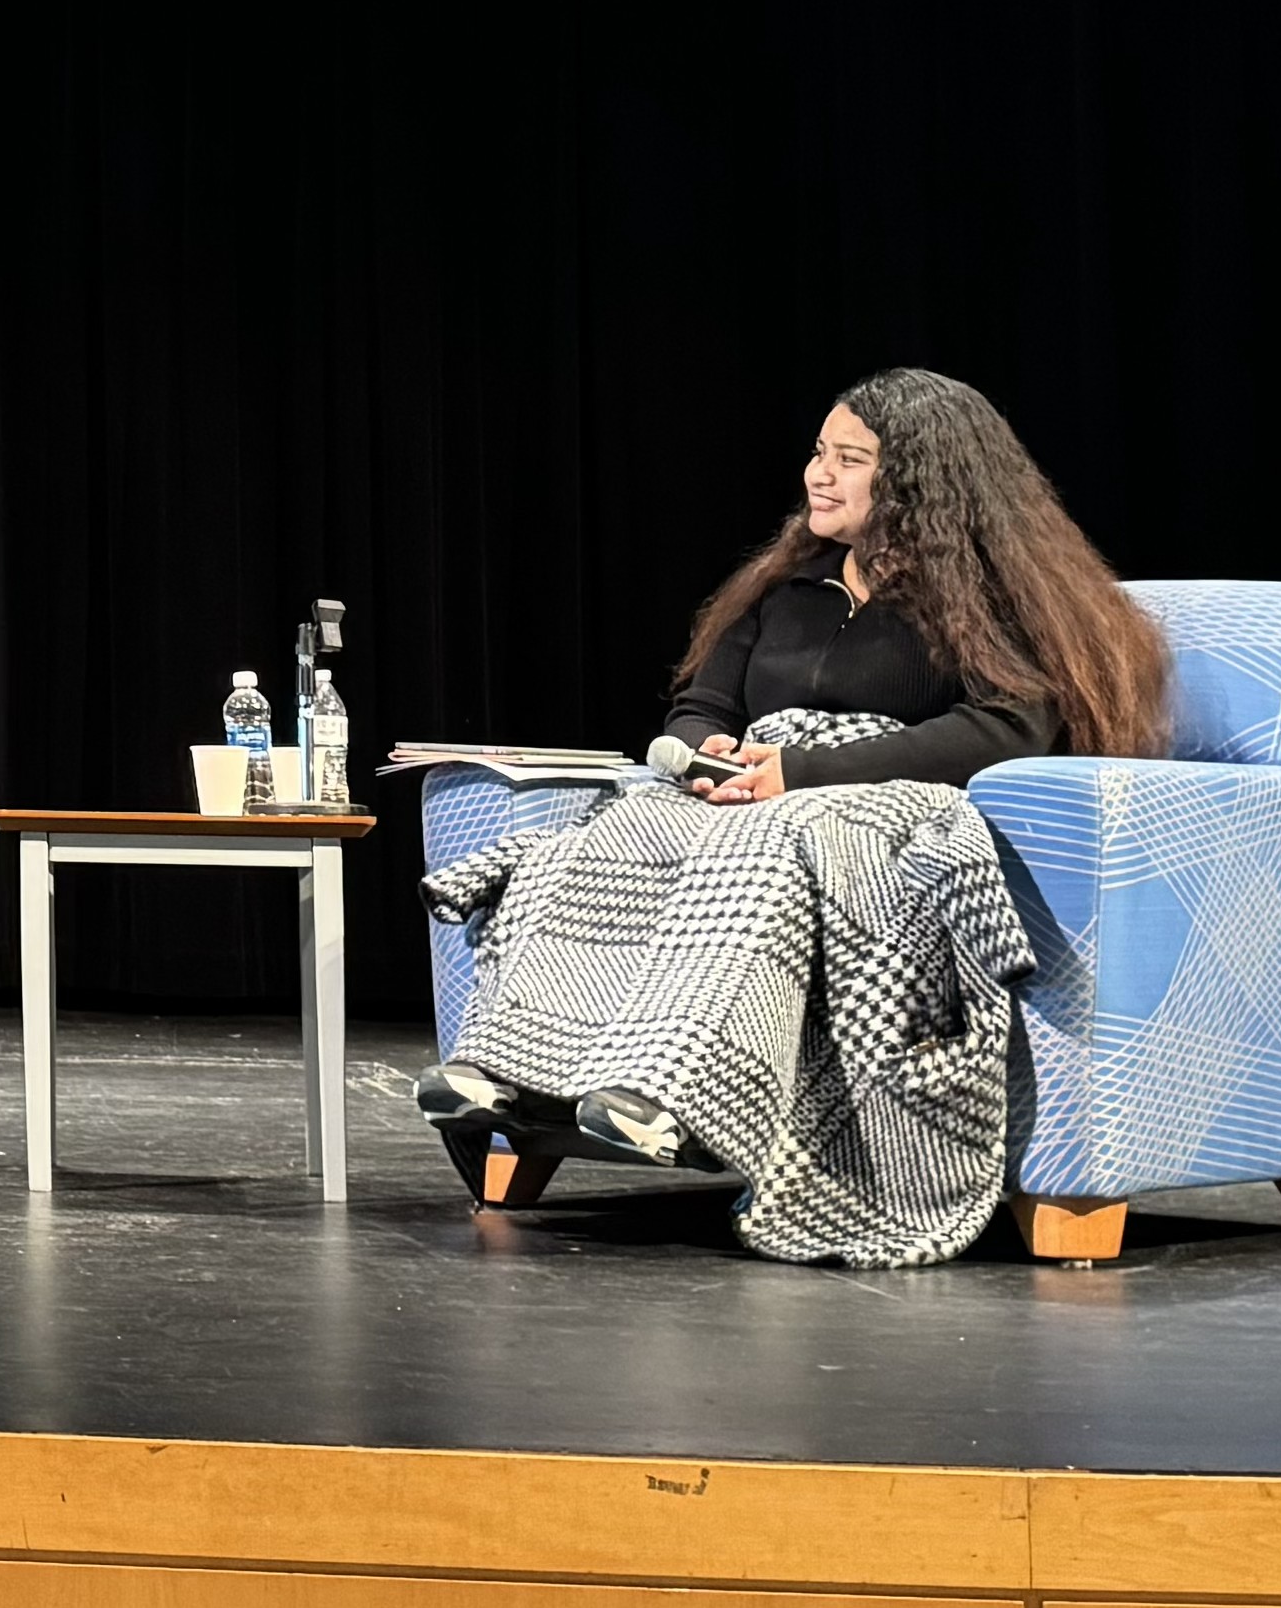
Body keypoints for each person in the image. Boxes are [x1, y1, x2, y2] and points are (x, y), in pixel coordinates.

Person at [416, 368, 1171, 1263]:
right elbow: (701, 703)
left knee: (777, 839)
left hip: (890, 810)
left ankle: (680, 1092)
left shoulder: (988, 602)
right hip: (753, 791)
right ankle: (511, 1073)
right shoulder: (786, 590)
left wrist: (800, 774)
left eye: (851, 459)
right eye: (820, 452)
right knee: (617, 825)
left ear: (920, 482)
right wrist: (708, 756)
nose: (820, 473)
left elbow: (1001, 727)